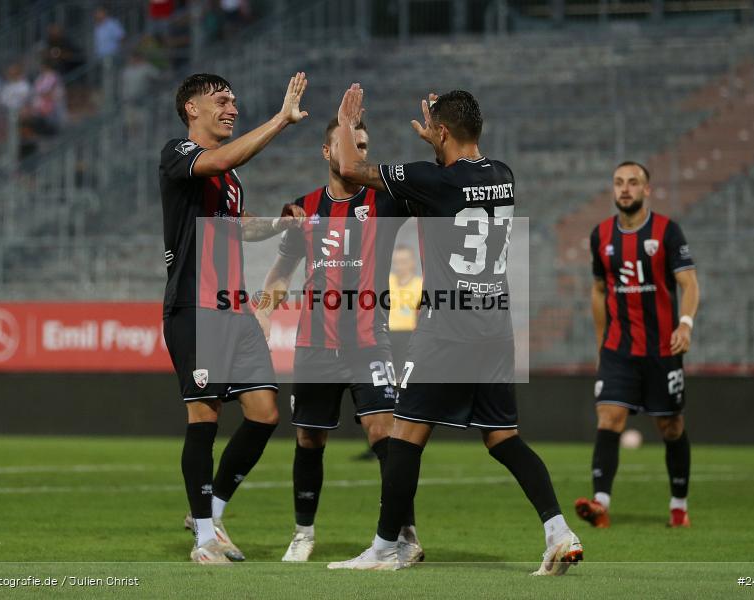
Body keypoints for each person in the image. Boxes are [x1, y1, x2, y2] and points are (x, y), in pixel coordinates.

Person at [326, 85, 583, 575]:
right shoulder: (503, 175)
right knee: (503, 437)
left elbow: (351, 169)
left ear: (441, 131)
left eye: (435, 131)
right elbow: (455, 183)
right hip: (496, 329)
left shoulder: (432, 179)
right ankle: (558, 531)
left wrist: (345, 122)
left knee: (404, 436)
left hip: (446, 330)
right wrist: (438, 144)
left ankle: (384, 548)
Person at [255, 117, 422, 564]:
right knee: (309, 439)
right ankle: (303, 533)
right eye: (349, 143)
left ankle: (404, 534)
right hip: (314, 344)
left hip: (369, 340)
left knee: (384, 433)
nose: (358, 152)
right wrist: (265, 311)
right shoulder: (304, 208)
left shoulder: (385, 201)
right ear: (327, 152)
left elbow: (433, 194)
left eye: (363, 145)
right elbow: (282, 272)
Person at [160, 72, 308, 564]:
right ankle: (204, 541)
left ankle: (211, 512)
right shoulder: (178, 154)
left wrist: (279, 224)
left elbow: (238, 227)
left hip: (233, 307)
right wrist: (281, 120)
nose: (232, 108)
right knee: (204, 416)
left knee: (265, 413)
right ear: (192, 109)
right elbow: (222, 158)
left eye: (234, 101)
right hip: (194, 305)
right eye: (222, 100)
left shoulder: (230, 180)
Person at [574, 161, 700, 529]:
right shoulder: (601, 236)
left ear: (647, 190)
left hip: (663, 349)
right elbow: (599, 291)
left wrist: (686, 324)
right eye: (618, 183)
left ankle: (678, 507)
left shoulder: (667, 231)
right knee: (608, 417)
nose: (625, 189)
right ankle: (600, 504)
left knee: (671, 426)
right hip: (619, 349)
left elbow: (689, 283)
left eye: (633, 182)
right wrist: (601, 343)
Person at [387, 244, 422, 367]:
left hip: (409, 336)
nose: (399, 266)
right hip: (387, 335)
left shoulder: (421, 285)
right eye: (396, 262)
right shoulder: (387, 282)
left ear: (413, 262)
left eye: (403, 262)